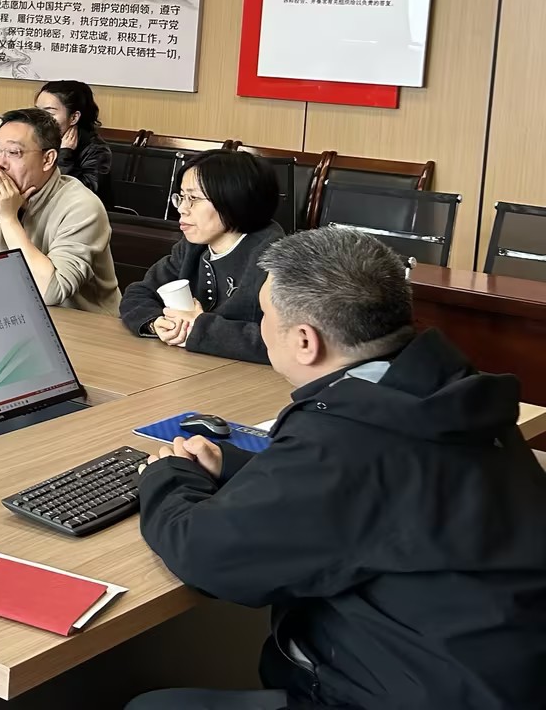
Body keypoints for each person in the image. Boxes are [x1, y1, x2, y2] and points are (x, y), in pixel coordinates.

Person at [127, 227, 546, 710]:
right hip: (490, 673)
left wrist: (167, 475)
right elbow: (370, 493)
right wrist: (234, 465)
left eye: (265, 317)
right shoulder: (438, 389)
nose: (261, 328)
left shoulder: (349, 436)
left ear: (305, 341)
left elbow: (207, 558)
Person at [0, 108, 119, 313]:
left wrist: (8, 219)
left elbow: (49, 291)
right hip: (15, 314)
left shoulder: (81, 206)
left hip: (83, 324)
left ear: (48, 159)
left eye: (14, 153)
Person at [119, 150, 284, 361]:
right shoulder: (192, 247)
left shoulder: (275, 258)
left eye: (194, 198)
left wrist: (199, 328)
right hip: (189, 364)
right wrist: (157, 322)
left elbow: (284, 342)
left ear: (234, 199)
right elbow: (138, 293)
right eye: (181, 197)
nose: (182, 209)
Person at [34, 80, 112, 198]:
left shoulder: (97, 149)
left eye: (49, 114)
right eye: (37, 111)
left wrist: (65, 156)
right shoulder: (36, 138)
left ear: (74, 117)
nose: (38, 119)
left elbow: (84, 195)